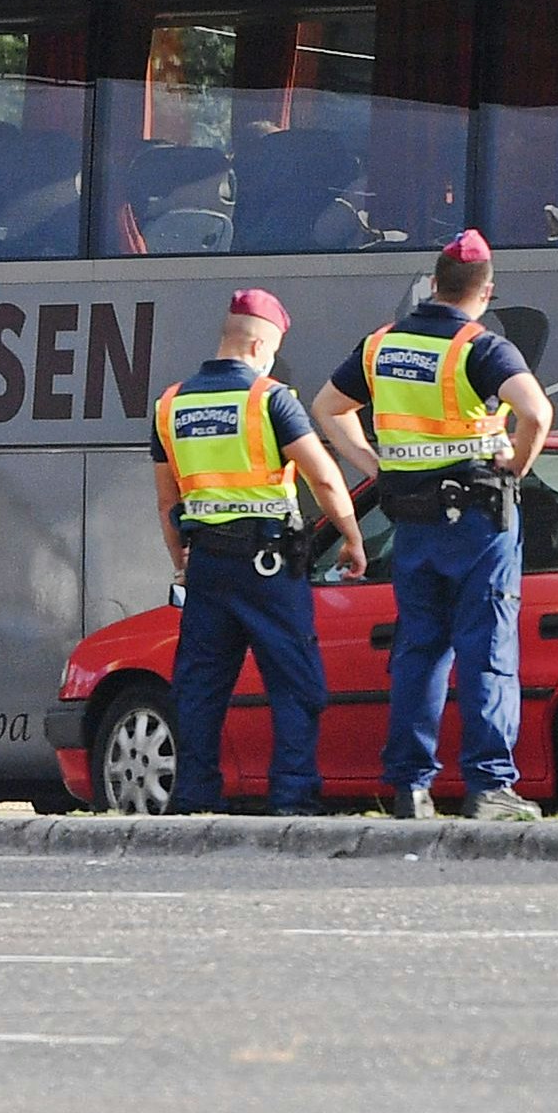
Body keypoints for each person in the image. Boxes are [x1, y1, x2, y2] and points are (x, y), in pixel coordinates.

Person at [315, 230, 555, 822]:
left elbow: (327, 408)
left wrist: (377, 467)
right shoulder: (483, 347)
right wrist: (517, 464)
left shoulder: (379, 346)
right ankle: (489, 787)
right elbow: (536, 411)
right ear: (486, 291)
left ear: (432, 284)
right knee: (487, 652)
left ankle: (409, 788)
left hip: (414, 525)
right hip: (478, 522)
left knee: (419, 652)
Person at [149, 289, 364, 816]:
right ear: (258, 346)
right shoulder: (268, 399)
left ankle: (195, 796)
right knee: (295, 681)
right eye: (271, 351)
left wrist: (182, 560)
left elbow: (166, 501)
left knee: (200, 687)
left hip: (206, 567)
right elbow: (324, 477)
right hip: (268, 567)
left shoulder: (171, 404)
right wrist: (353, 538)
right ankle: (292, 795)